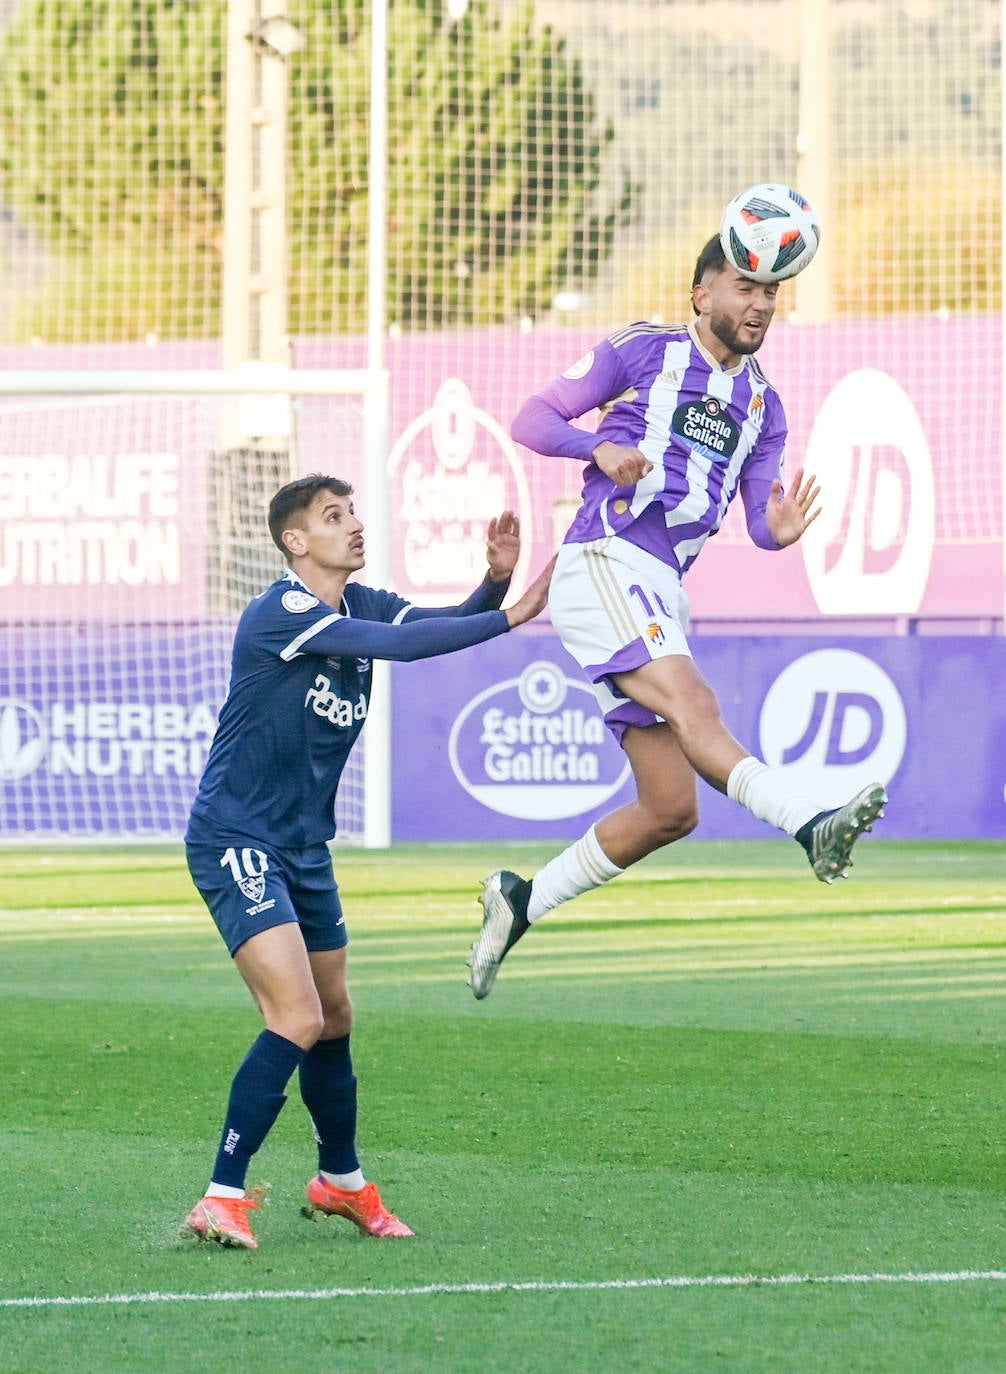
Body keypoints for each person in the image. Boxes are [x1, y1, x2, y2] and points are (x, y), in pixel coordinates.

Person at [468, 234, 887, 1000]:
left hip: (661, 585)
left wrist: (779, 530)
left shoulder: (764, 405)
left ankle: (521, 901)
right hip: (602, 557)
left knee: (670, 809)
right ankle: (809, 826)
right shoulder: (642, 349)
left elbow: (760, 524)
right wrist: (595, 448)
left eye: (770, 293)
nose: (760, 303)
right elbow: (532, 419)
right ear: (700, 294)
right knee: (696, 703)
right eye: (743, 287)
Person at [182, 474, 552, 1248]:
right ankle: (221, 1194)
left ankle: (341, 1181)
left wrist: (494, 582)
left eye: (352, 512)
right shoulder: (281, 611)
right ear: (295, 540)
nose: (354, 526)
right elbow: (405, 647)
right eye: (333, 517)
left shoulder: (365, 603)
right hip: (237, 838)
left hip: (304, 848)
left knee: (336, 1015)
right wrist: (516, 615)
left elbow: (440, 622)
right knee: (297, 1015)